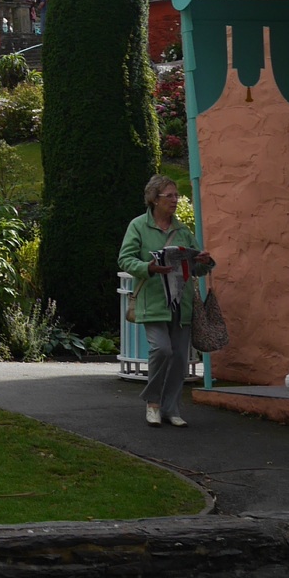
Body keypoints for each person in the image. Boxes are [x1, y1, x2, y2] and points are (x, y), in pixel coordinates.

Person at [119, 174, 208, 427]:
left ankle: (171, 409)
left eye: (176, 195)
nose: (175, 200)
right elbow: (125, 259)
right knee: (162, 349)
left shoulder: (183, 231)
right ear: (154, 199)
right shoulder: (138, 226)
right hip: (154, 301)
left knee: (180, 357)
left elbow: (198, 268)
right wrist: (148, 267)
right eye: (169, 195)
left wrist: (204, 262)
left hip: (182, 302)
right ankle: (153, 402)